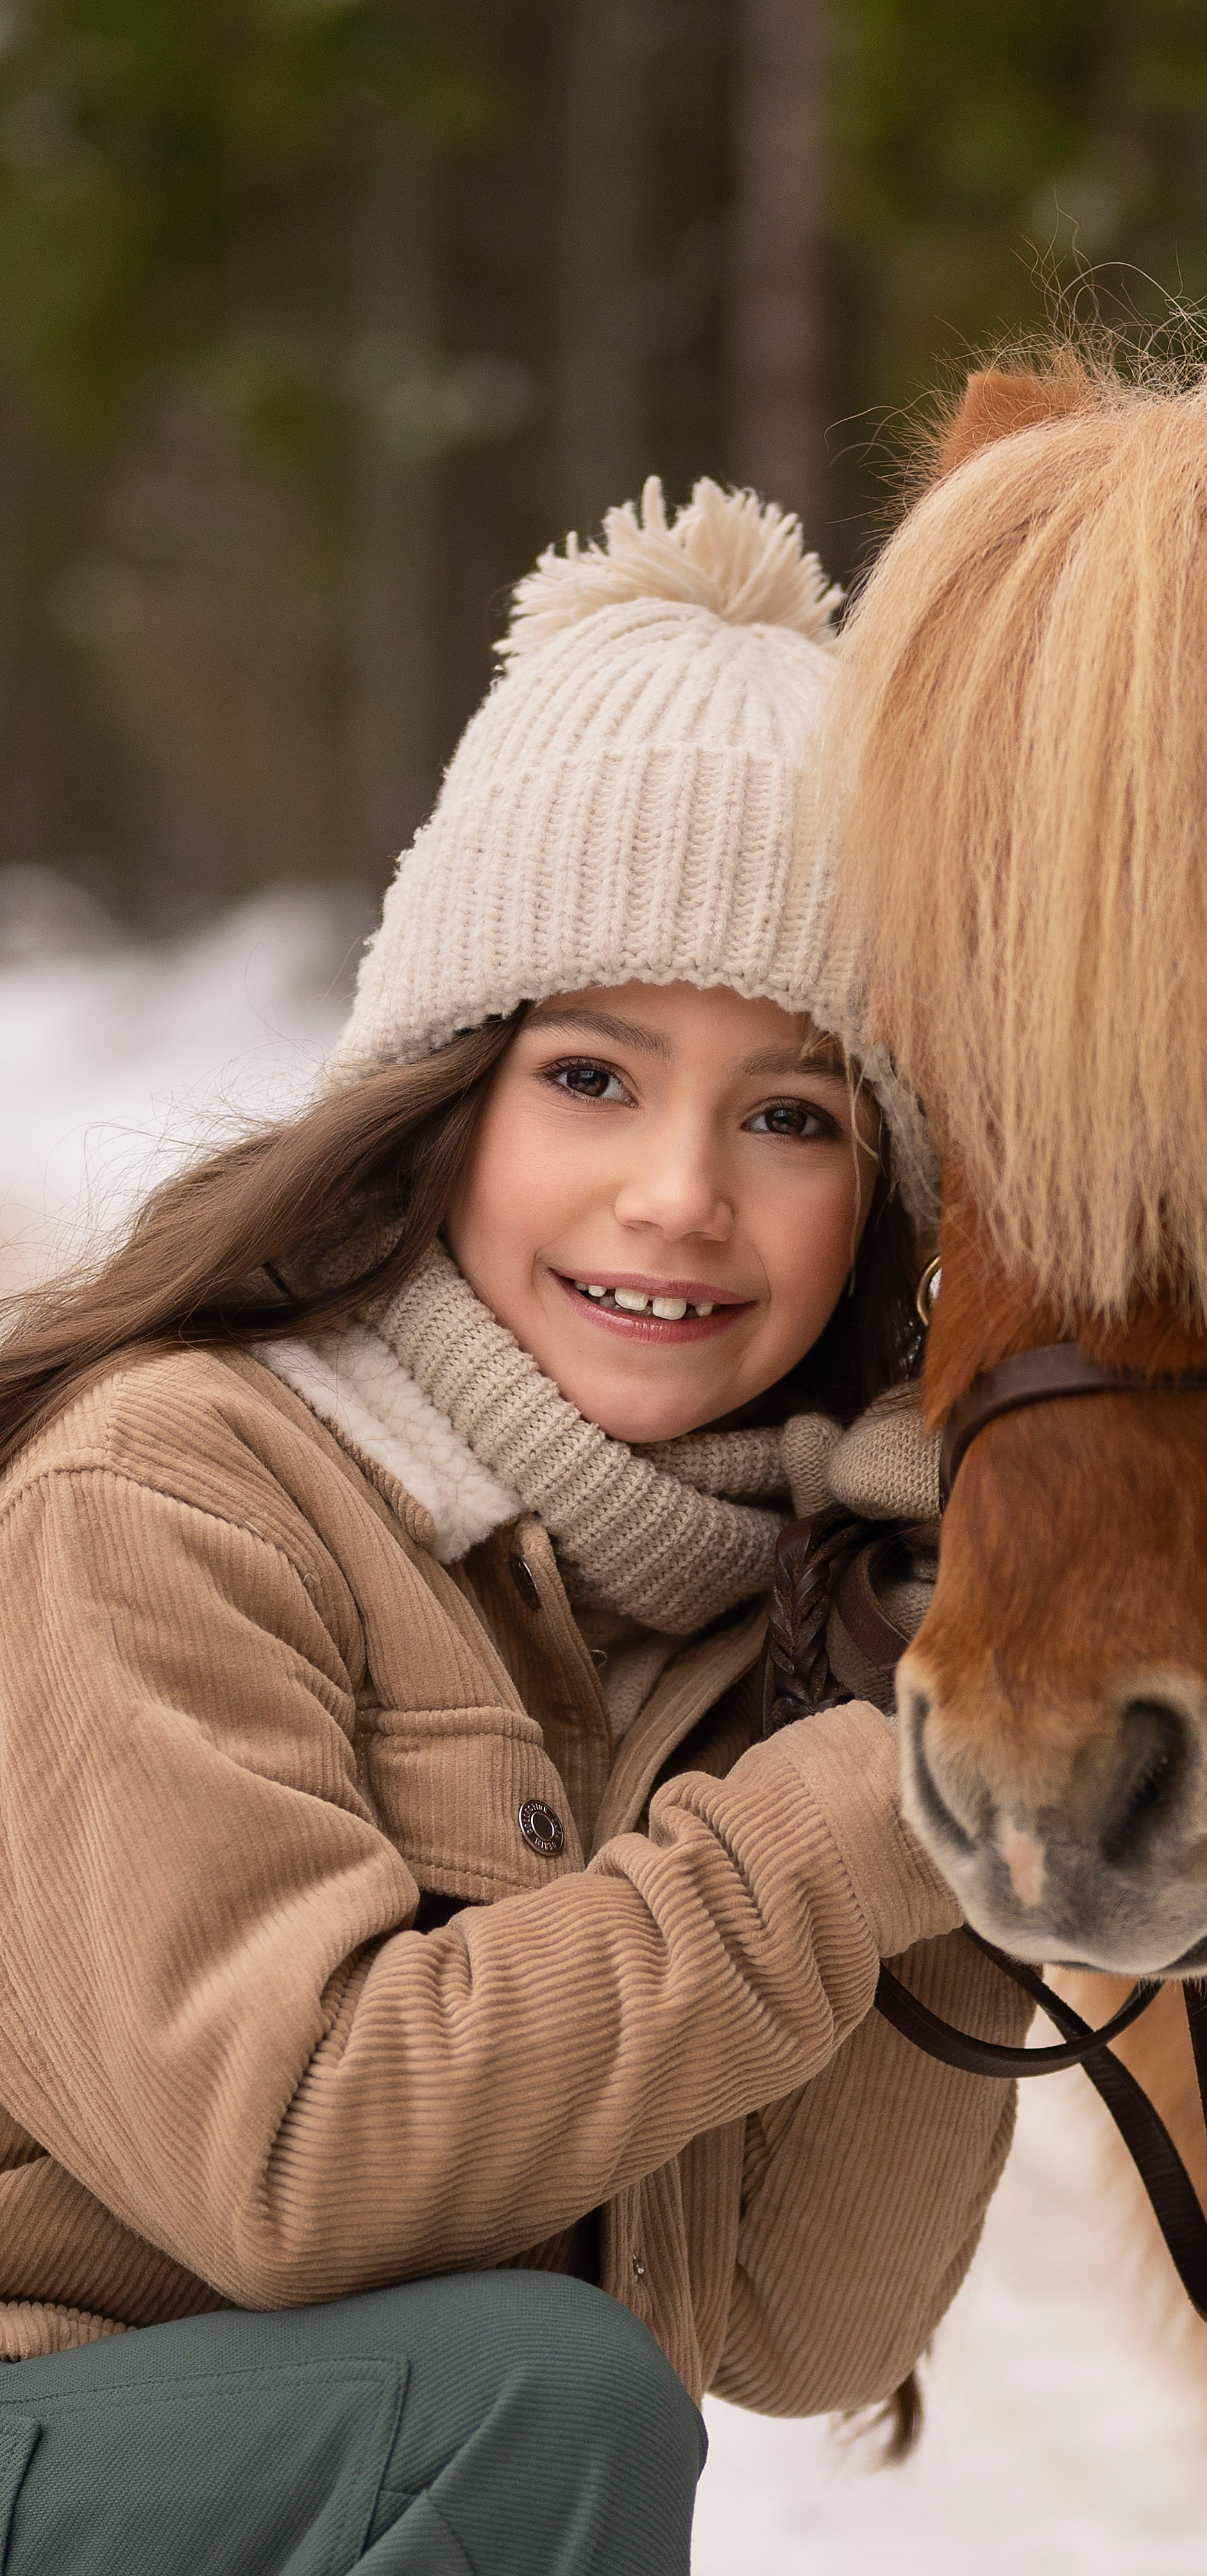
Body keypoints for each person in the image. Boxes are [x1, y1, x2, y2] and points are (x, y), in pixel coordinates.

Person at [0, 480, 1026, 2575]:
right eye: (592, 1079)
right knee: (536, 2400)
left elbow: (799, 2326)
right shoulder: (174, 1489)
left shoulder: (743, 1612)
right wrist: (869, 1808)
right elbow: (290, 2161)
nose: (681, 1195)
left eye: (793, 1116)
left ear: (879, 1208)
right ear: (445, 1099)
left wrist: (961, 1692)